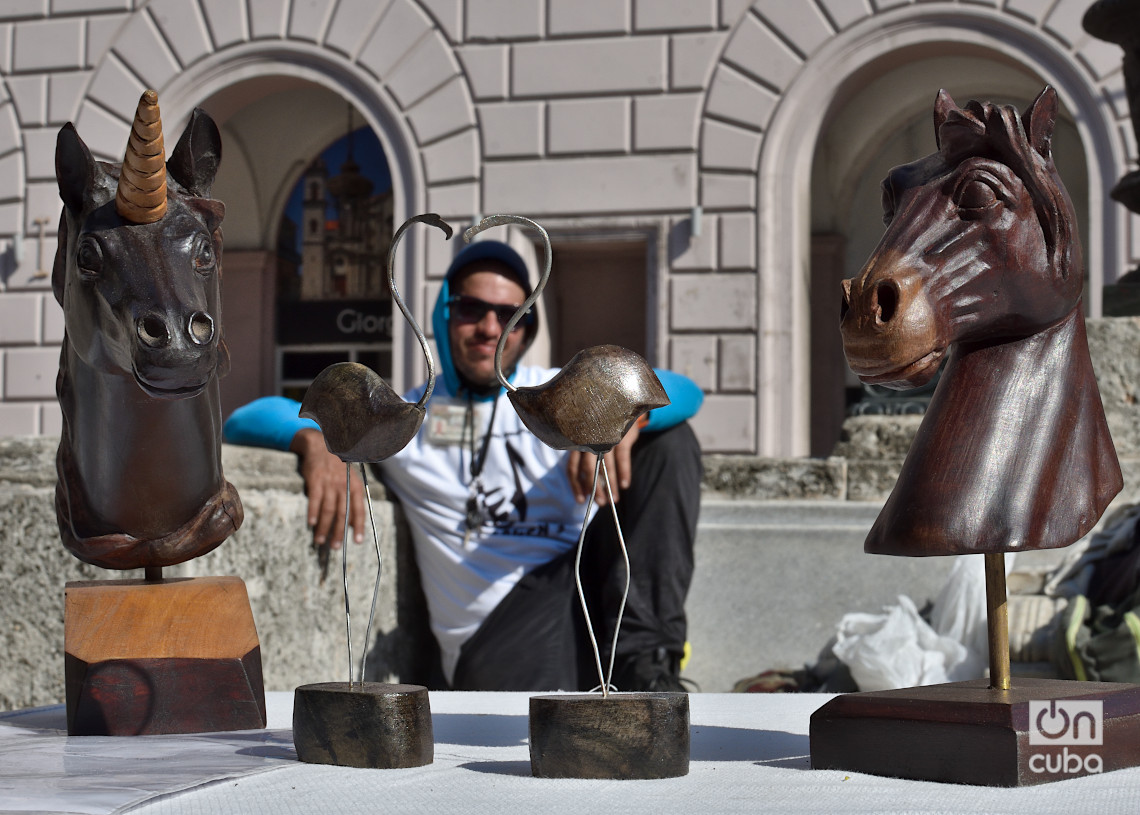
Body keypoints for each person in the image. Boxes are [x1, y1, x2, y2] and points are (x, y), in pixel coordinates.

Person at [225, 240, 703, 691]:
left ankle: (650, 671)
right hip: (498, 624)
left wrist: (629, 416)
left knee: (669, 440)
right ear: (444, 315)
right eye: (473, 309)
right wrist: (310, 436)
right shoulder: (403, 418)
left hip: (583, 583)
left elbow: (685, 391)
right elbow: (247, 416)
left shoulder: (558, 395)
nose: (491, 328)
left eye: (510, 315)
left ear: (527, 326)